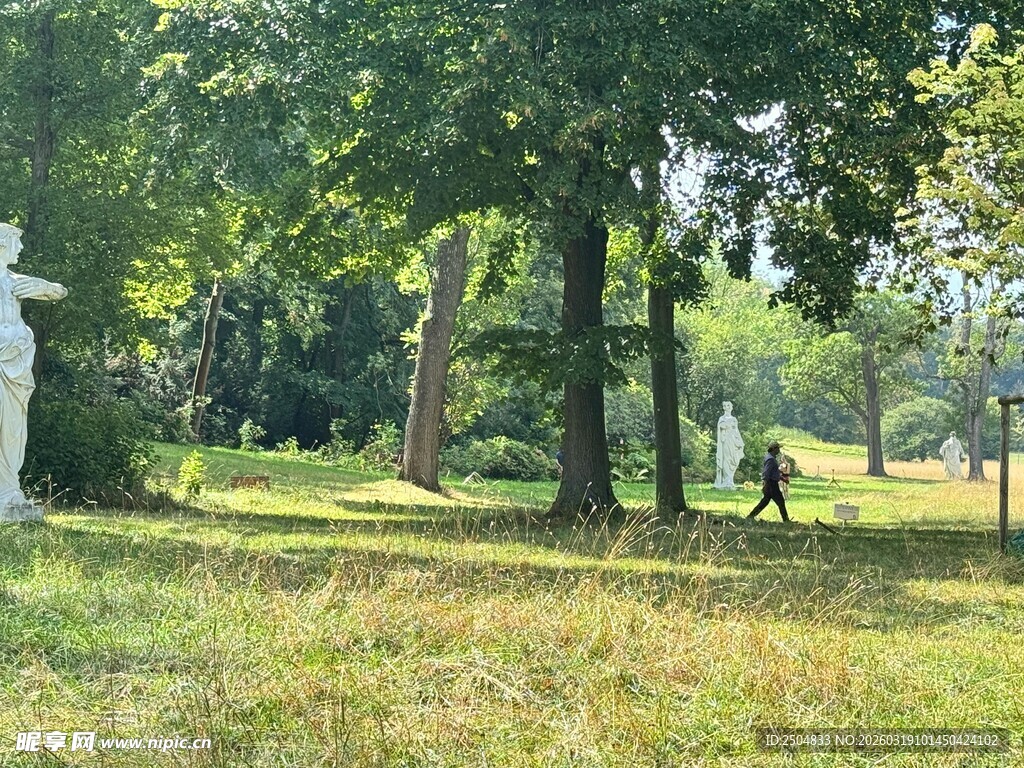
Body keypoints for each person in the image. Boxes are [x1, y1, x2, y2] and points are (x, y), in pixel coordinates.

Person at [0, 223, 67, 509]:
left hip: (13, 364)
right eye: (17, 241)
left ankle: (8, 490)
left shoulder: (14, 280)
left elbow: (60, 292)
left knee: (12, 429)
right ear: (2, 244)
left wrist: (47, 286)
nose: (22, 248)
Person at [747, 440, 791, 522]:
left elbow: (774, 472)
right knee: (780, 501)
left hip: (771, 483)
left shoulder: (770, 457)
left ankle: (750, 516)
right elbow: (767, 472)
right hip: (771, 484)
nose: (779, 450)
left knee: (765, 501)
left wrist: (781, 478)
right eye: (778, 448)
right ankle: (786, 520)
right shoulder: (771, 459)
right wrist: (766, 484)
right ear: (774, 449)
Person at [714, 401, 744, 489]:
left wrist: (740, 442)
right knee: (727, 459)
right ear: (723, 407)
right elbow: (721, 427)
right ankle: (727, 480)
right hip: (726, 440)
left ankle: (730, 479)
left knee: (734, 460)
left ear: (731, 407)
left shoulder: (734, 419)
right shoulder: (722, 418)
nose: (727, 407)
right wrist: (726, 425)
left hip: (733, 440)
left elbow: (736, 431)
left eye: (728, 405)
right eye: (725, 406)